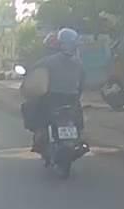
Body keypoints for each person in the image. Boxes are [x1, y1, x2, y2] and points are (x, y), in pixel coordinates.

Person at [27, 28, 85, 161]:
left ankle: (40, 137)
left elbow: (34, 71)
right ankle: (78, 138)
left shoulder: (48, 61)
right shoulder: (79, 63)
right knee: (78, 119)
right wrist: (77, 95)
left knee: (34, 111)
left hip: (52, 98)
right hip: (72, 98)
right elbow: (82, 83)